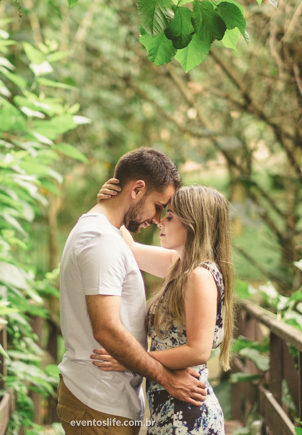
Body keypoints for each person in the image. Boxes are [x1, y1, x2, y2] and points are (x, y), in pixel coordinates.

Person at [57, 148, 208, 435]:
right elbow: (107, 330)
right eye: (159, 205)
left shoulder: (109, 235)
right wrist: (166, 377)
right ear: (137, 189)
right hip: (97, 400)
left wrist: (109, 202)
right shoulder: (101, 241)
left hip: (108, 400)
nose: (157, 218)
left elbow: (141, 251)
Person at [91, 182, 234, 435]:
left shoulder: (199, 276)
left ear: (193, 225)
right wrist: (112, 202)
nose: (160, 221)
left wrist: (129, 360)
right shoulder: (179, 266)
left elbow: (198, 351)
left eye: (169, 216)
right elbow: (131, 249)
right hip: (170, 408)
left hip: (187, 416)